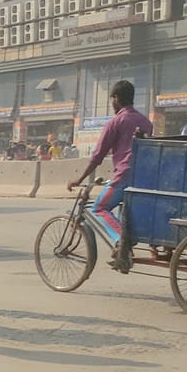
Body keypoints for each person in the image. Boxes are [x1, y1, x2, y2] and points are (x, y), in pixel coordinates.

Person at [69, 79, 153, 269]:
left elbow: (97, 156)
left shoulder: (116, 122)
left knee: (99, 207)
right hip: (142, 178)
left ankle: (122, 241)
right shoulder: (145, 122)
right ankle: (124, 250)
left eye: (112, 99)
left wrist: (79, 179)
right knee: (124, 212)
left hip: (123, 176)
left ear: (116, 98)